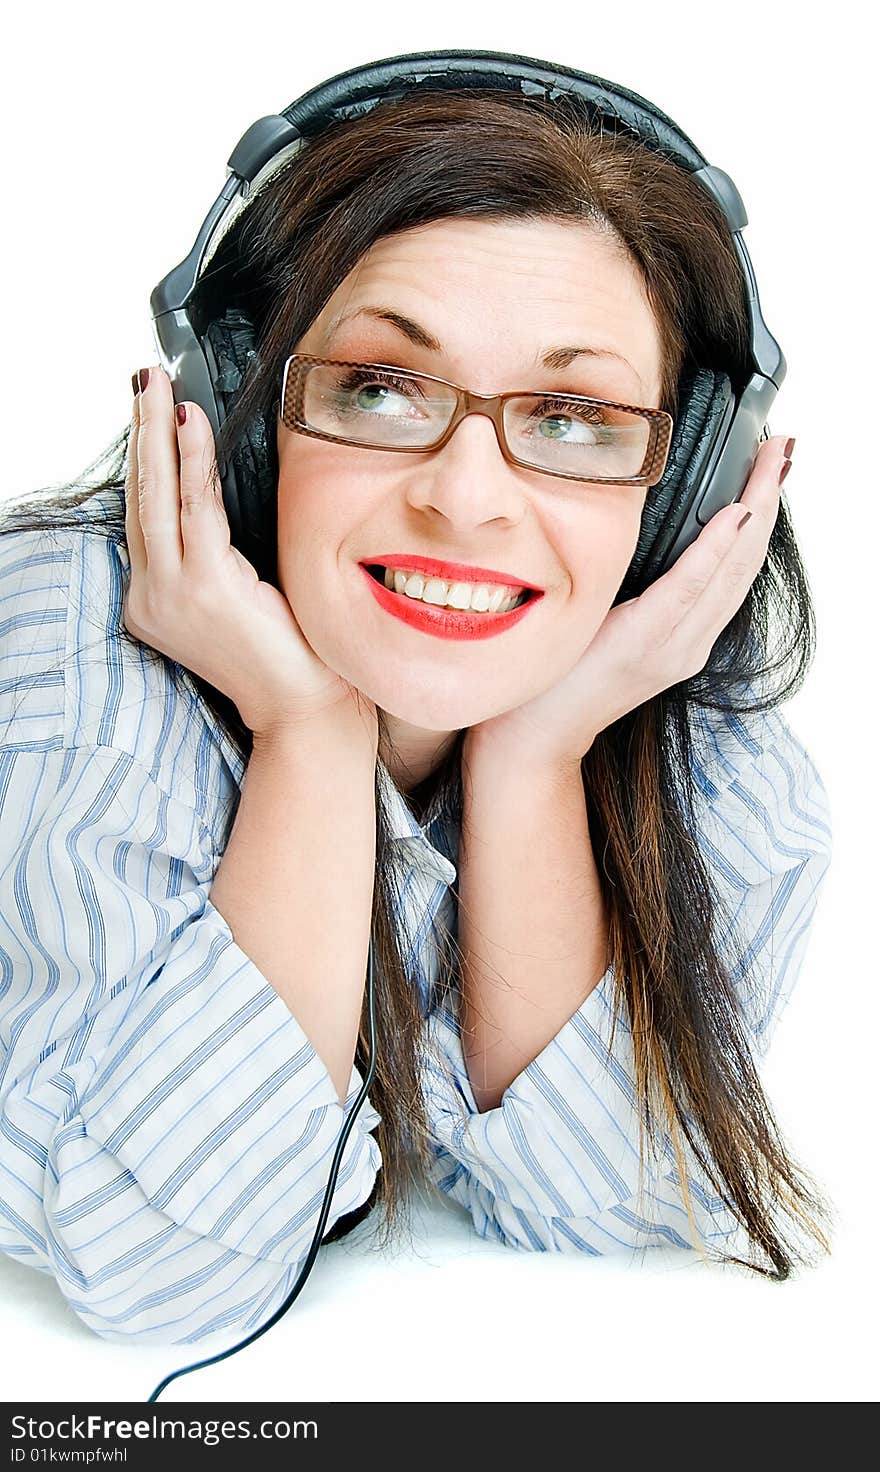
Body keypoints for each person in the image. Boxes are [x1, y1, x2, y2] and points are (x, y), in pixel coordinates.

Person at [0, 81, 833, 1347]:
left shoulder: (714, 759)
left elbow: (603, 1201)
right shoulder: (68, 687)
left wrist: (537, 749)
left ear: (685, 485)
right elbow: (160, 1268)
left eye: (573, 418)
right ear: (237, 421)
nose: (468, 498)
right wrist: (313, 733)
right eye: (382, 386)